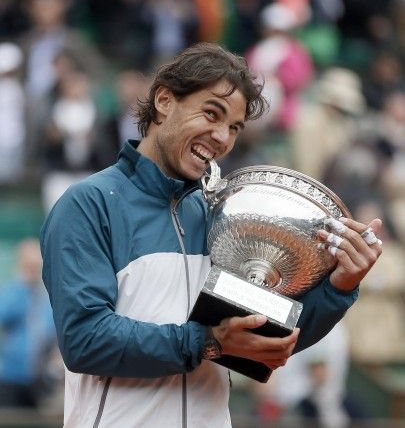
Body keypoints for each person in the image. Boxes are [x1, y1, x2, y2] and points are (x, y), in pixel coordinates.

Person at [40, 43, 383, 428]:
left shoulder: (220, 213)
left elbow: (264, 343)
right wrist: (208, 341)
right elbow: (85, 340)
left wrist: (339, 286)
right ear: (165, 101)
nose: (222, 137)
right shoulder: (89, 203)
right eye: (211, 113)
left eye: (234, 127)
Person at [0, 238, 55, 408]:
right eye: (29, 264)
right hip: (10, 377)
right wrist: (22, 284)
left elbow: (49, 331)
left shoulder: (43, 297)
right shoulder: (12, 291)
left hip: (38, 378)